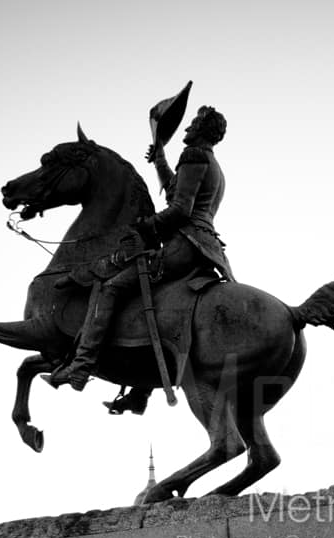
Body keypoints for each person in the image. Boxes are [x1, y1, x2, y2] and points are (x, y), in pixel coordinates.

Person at [47, 104, 234, 392]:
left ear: (203, 129)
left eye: (193, 124)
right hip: (204, 247)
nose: (187, 128)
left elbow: (180, 209)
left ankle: (81, 366)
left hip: (185, 243)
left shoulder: (193, 155)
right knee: (146, 292)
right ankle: (138, 389)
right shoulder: (212, 164)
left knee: (112, 287)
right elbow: (175, 189)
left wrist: (143, 227)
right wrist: (159, 158)